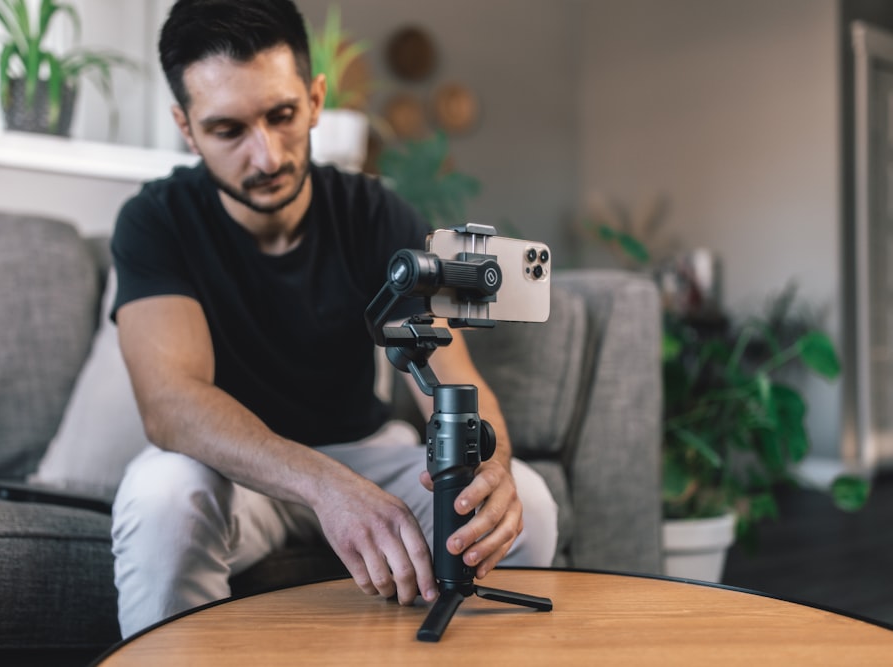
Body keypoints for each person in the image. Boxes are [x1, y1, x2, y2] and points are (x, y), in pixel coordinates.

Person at [110, 0, 558, 638]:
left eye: (282, 115)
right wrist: (326, 486)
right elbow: (170, 403)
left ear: (316, 99)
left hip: (367, 453)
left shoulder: (376, 214)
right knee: (163, 500)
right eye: (228, 130)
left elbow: (453, 375)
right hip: (237, 474)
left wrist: (497, 465)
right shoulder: (155, 222)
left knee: (529, 506)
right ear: (186, 127)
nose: (264, 157)